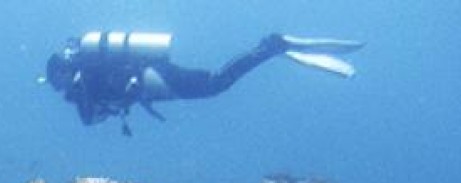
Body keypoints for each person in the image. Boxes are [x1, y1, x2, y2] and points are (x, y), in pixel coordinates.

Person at [46, 31, 364, 134]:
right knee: (215, 84)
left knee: (216, 83)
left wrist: (77, 93)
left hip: (156, 78)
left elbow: (90, 118)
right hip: (155, 78)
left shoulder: (86, 78)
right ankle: (272, 50)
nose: (60, 90)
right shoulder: (88, 75)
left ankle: (272, 46)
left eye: (57, 83)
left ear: (63, 72)